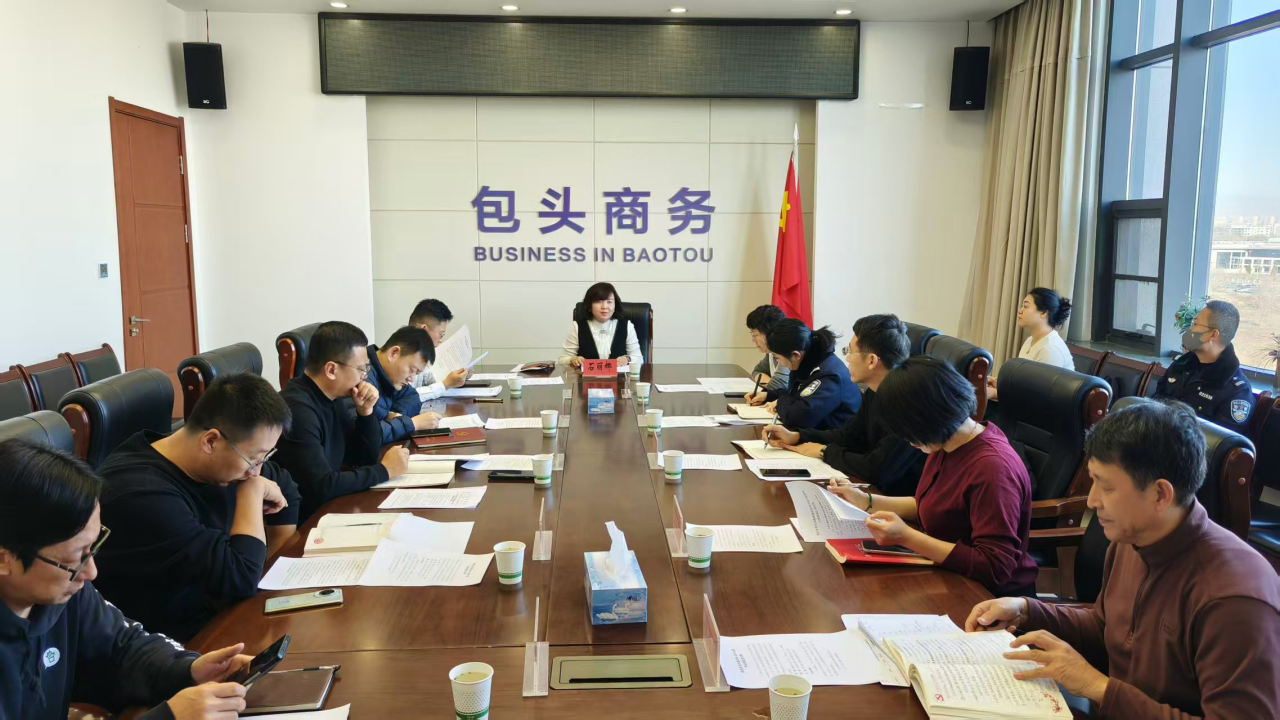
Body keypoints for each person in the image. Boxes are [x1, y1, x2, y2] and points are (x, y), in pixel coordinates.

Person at [965, 399, 1280, 718]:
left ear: (1160, 495)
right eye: (1093, 480)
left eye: (1107, 487)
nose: (1091, 501)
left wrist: (1098, 687)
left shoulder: (1235, 598)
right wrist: (1026, 610)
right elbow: (1106, 629)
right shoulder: (1132, 538)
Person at [0, 438, 257, 720]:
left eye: (93, 547)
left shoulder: (64, 590)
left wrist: (187, 670)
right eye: (76, 557)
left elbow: (122, 647)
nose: (91, 572)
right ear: (4, 559)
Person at [94, 373, 299, 642]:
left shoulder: (219, 462)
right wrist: (252, 491)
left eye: (265, 458)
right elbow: (241, 579)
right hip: (168, 644)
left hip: (223, 617)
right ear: (210, 441)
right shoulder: (141, 494)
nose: (257, 470)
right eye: (254, 459)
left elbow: (287, 490)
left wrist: (272, 563)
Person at [829, 356, 1037, 596]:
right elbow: (934, 504)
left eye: (909, 432)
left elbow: (994, 567)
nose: (909, 442)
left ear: (930, 418)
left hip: (988, 596)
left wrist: (907, 536)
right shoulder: (949, 442)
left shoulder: (992, 468)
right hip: (947, 573)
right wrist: (866, 501)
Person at [761, 314, 925, 496]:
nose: (846, 359)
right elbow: (851, 436)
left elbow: (877, 469)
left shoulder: (908, 403)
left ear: (871, 360)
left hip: (895, 500)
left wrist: (824, 451)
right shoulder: (875, 391)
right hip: (871, 489)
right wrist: (798, 436)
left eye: (850, 351)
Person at [274, 321, 410, 520]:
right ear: (331, 370)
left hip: (331, 507)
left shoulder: (332, 396)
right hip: (306, 521)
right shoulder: (298, 410)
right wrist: (384, 471)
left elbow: (362, 458)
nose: (364, 377)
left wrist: (366, 412)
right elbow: (321, 486)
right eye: (361, 369)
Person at [1152, 299, 1256, 433]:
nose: (1189, 330)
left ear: (1213, 335)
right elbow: (1154, 405)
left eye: (1195, 324)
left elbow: (1221, 441)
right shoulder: (1180, 365)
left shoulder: (1236, 391)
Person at [750, 319, 860, 431]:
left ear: (795, 355)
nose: (779, 363)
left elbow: (797, 419)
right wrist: (769, 396)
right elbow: (796, 396)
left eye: (777, 357)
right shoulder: (807, 361)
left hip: (833, 438)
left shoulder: (829, 376)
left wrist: (779, 402)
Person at [988, 287, 1074, 401]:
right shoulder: (1030, 340)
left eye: (1026, 306)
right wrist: (999, 384)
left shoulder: (1051, 349)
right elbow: (1024, 385)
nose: (1020, 310)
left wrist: (997, 393)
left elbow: (1038, 397)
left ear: (1043, 313)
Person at [368, 325, 439, 444]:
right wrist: (412, 424)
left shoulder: (390, 375)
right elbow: (367, 437)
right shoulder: (362, 375)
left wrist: (395, 417)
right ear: (393, 353)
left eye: (417, 373)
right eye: (412, 370)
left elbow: (413, 397)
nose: (411, 378)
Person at [558, 282, 642, 368]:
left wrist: (627, 359)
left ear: (615, 305)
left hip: (618, 376)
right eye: (598, 302)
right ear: (589, 306)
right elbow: (562, 360)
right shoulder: (577, 327)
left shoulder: (627, 326)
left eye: (609, 302)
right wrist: (573, 359)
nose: (604, 306)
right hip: (585, 376)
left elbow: (639, 358)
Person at [408, 299, 469, 401]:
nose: (441, 340)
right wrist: (446, 384)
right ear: (423, 330)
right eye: (441, 334)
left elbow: (427, 381)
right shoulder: (402, 354)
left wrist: (457, 376)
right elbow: (405, 397)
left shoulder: (420, 351)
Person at [744, 304, 790, 396]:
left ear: (769, 334)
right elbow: (757, 372)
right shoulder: (772, 352)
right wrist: (769, 383)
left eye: (755, 335)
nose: (753, 340)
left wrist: (770, 387)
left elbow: (779, 386)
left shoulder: (787, 349)